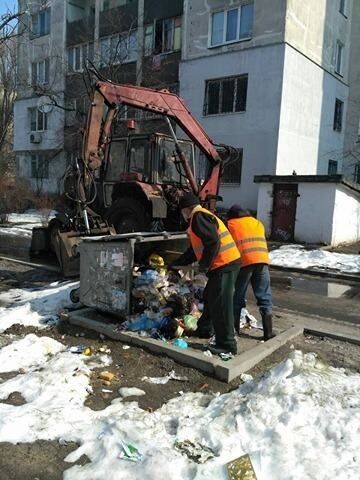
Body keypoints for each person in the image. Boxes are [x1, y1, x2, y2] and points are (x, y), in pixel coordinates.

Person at [171, 193, 241, 355]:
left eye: (182, 211)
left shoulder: (198, 216)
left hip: (225, 264)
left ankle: (227, 344)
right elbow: (195, 251)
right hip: (225, 264)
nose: (182, 215)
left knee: (221, 304)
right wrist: (176, 263)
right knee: (211, 296)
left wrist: (203, 267)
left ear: (186, 209)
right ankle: (204, 329)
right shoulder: (200, 217)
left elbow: (212, 242)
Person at [227, 205, 275, 341]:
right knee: (264, 296)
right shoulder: (258, 223)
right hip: (262, 261)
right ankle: (268, 333)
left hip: (244, 263)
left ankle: (234, 331)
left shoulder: (231, 224)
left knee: (237, 297)